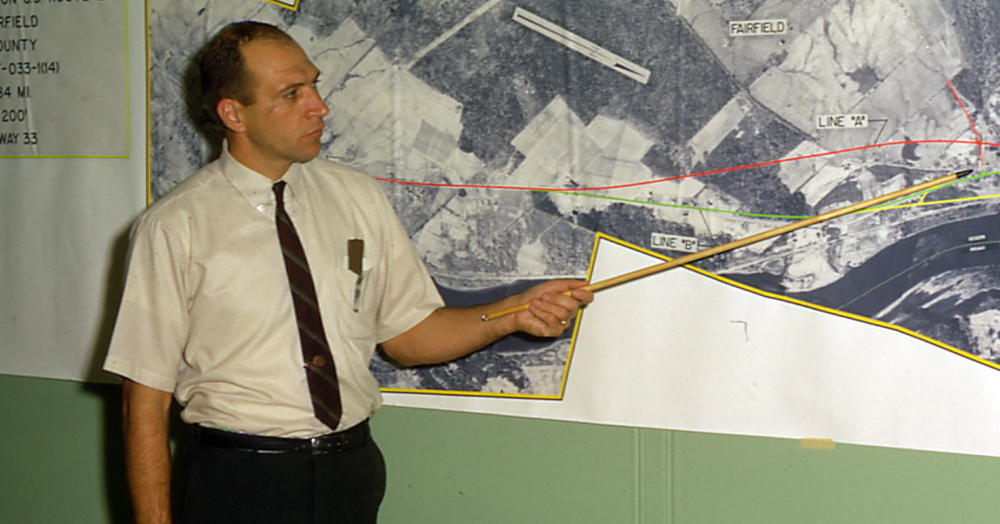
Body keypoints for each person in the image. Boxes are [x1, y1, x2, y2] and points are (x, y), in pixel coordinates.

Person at [104, 21, 593, 524]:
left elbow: (408, 335)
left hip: (350, 471)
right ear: (234, 113)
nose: (319, 106)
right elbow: (143, 401)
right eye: (292, 94)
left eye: (314, 85)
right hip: (239, 480)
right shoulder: (174, 226)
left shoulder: (356, 195)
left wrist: (512, 313)